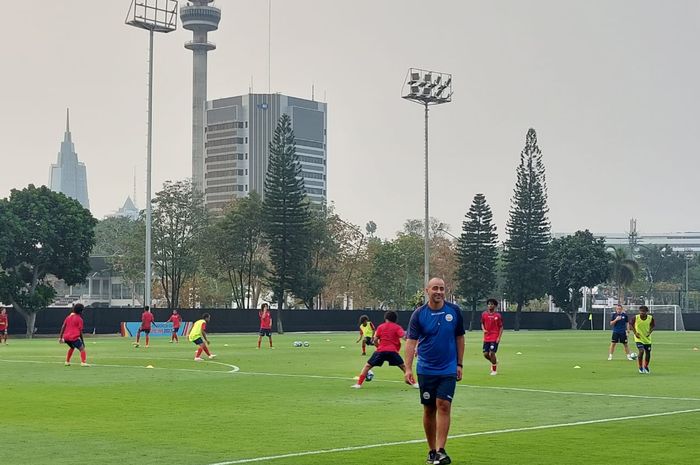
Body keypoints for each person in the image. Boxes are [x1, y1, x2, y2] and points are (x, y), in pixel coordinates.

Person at [404, 277, 465, 465]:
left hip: (447, 368)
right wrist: (407, 368)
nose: (439, 291)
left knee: (444, 405)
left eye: (442, 288)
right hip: (426, 369)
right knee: (429, 408)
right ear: (427, 291)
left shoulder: (454, 311)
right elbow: (411, 342)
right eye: (435, 288)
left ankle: (441, 450)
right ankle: (431, 451)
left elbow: (460, 338)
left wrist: (459, 364)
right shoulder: (419, 314)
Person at [351, 310, 419, 389]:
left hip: (381, 351)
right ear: (395, 319)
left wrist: (379, 347)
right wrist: (415, 346)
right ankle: (414, 383)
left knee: (367, 366)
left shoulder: (381, 326)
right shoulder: (397, 327)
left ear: (386, 318)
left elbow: (375, 340)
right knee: (404, 367)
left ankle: (359, 384)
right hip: (392, 351)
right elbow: (405, 338)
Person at [630, 305, 655, 374]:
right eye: (640, 312)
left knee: (648, 353)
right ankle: (640, 367)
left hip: (647, 339)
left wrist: (649, 332)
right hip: (639, 338)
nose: (641, 313)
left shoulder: (650, 318)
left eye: (643, 312)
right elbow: (631, 324)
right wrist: (635, 333)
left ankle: (646, 366)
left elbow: (653, 326)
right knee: (641, 351)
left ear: (646, 312)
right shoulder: (635, 317)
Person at [481, 298, 503, 375]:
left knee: (492, 353)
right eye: (489, 304)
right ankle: (494, 362)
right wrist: (483, 329)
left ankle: (494, 370)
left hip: (494, 337)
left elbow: (501, 327)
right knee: (485, 354)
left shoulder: (497, 315)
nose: (490, 305)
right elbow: (482, 324)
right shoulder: (484, 314)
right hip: (486, 337)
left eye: (492, 304)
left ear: (495, 306)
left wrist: (499, 337)